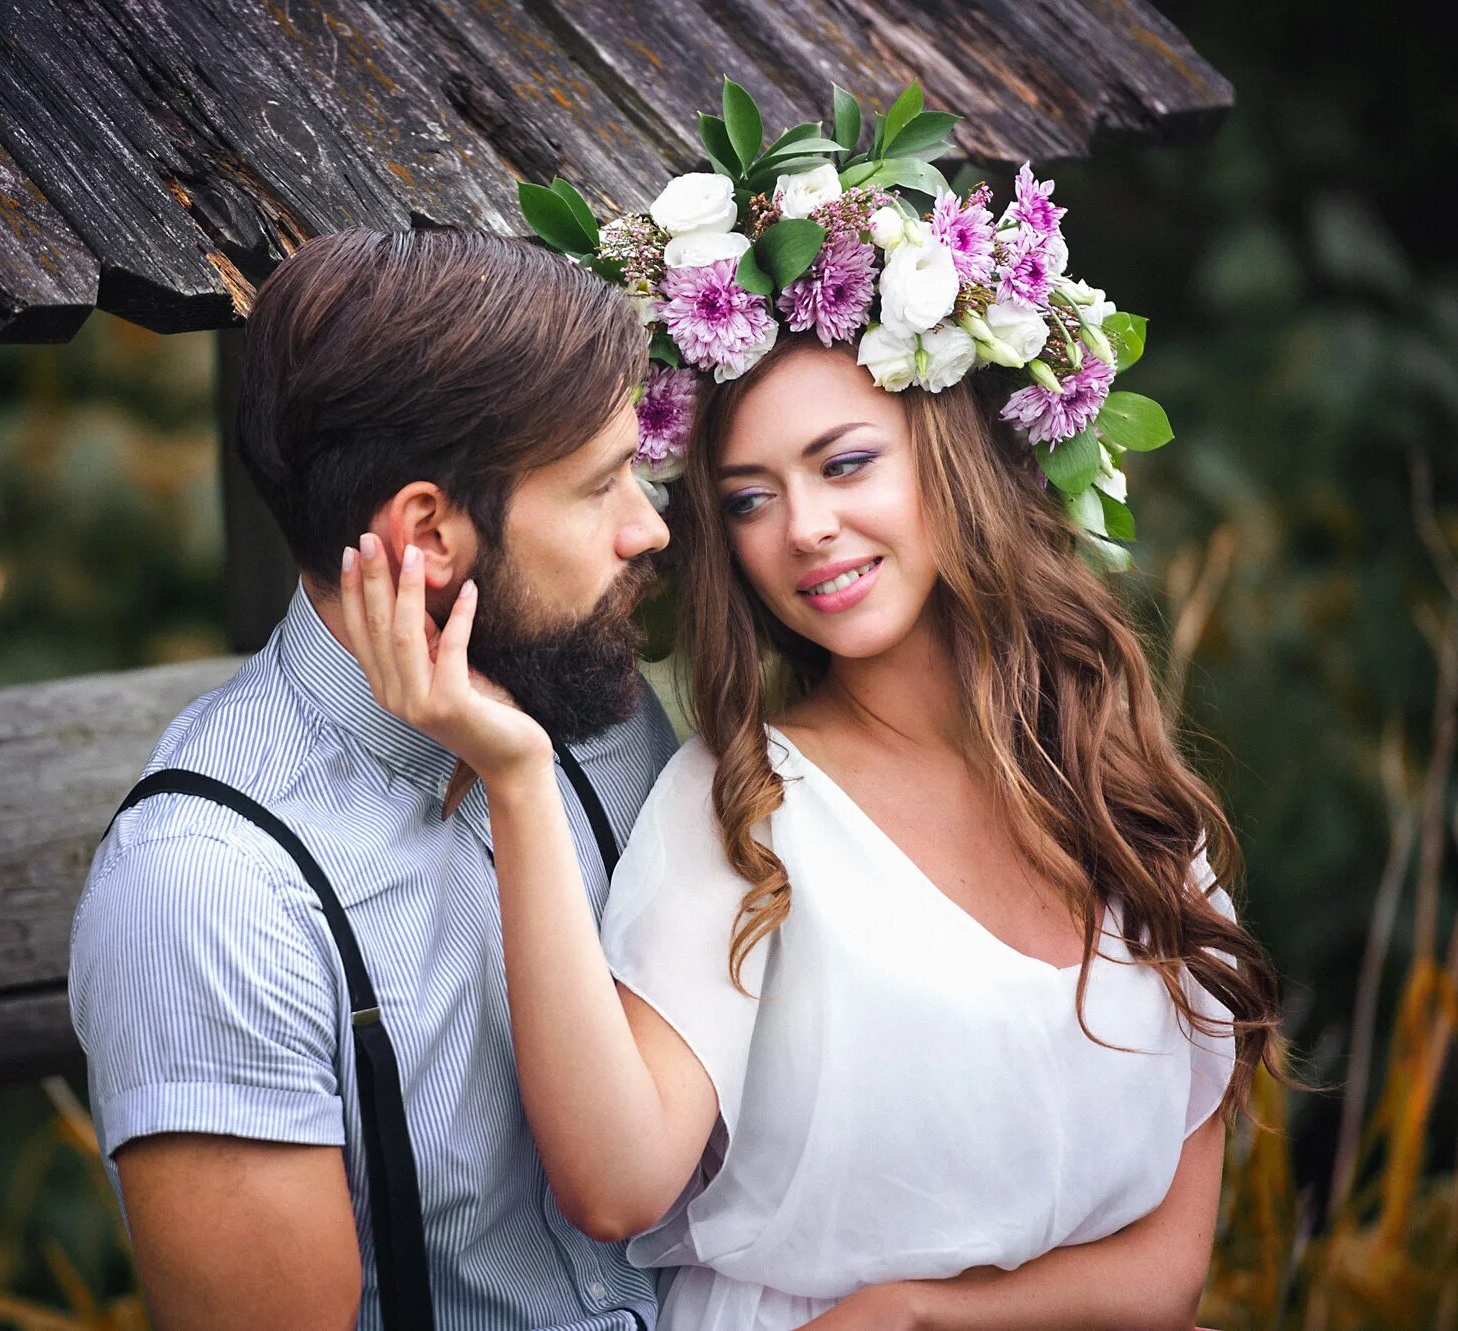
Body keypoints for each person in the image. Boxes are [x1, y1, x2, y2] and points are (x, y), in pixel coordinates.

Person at [337, 136, 1290, 1328]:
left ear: (952, 462)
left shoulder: (1123, 797)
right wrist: (517, 774)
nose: (803, 528)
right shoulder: (742, 806)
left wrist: (920, 1312)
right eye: (746, 496)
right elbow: (612, 1181)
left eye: (844, 464)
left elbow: (1167, 1267)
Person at [68, 226, 678, 1330]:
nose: (649, 525)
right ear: (428, 533)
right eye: (600, 486)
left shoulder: (605, 716)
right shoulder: (209, 893)